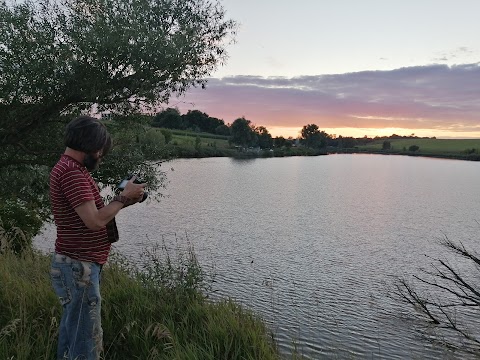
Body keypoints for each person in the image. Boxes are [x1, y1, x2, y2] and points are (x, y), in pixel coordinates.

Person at [49, 115, 146, 360]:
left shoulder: (69, 168)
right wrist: (122, 197)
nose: (101, 157)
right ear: (93, 148)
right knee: (85, 341)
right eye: (101, 151)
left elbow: (95, 215)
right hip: (78, 267)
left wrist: (124, 201)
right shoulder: (73, 173)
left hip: (76, 264)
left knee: (73, 333)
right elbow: (94, 222)